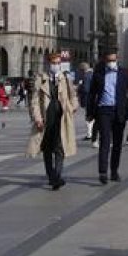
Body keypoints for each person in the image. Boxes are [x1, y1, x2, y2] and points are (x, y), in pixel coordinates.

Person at [87, 52, 128, 184]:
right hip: (104, 110)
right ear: (105, 60)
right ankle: (102, 172)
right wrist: (89, 112)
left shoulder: (124, 73)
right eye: (108, 60)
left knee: (117, 143)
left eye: (113, 60)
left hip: (119, 111)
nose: (111, 62)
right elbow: (92, 94)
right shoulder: (99, 73)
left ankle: (114, 171)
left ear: (117, 59)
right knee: (105, 141)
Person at [26, 52, 79, 190]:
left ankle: (57, 175)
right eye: (53, 63)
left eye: (58, 63)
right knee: (47, 148)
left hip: (61, 116)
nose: (56, 66)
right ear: (48, 63)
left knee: (60, 147)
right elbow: (34, 101)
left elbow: (73, 95)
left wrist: (73, 107)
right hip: (46, 116)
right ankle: (52, 176)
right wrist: (37, 118)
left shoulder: (65, 78)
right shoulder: (40, 79)